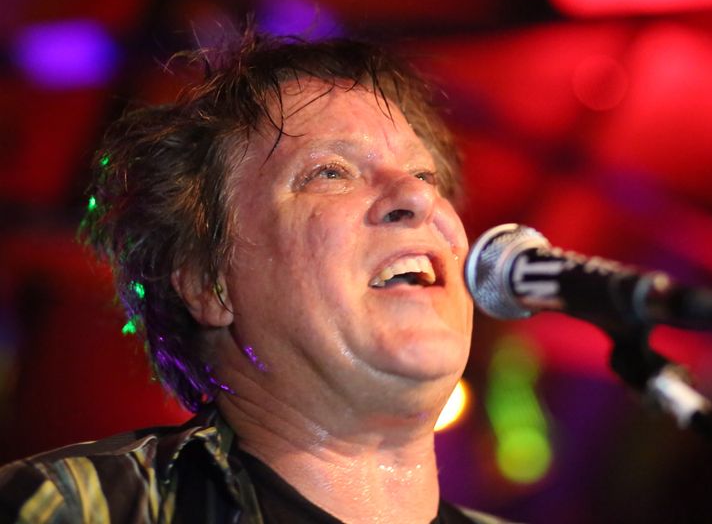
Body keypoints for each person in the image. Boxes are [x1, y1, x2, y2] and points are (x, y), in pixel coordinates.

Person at [0, 27, 506, 523]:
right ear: (209, 283)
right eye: (330, 172)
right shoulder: (71, 509)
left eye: (423, 175)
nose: (417, 196)